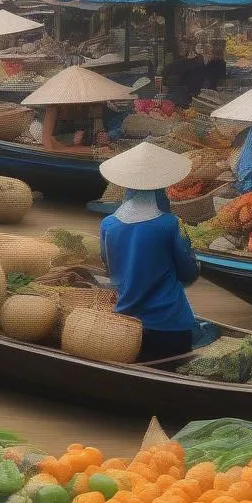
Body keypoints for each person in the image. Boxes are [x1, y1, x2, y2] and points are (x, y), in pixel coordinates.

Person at [99, 142, 200, 362]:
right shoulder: (171, 224)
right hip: (170, 326)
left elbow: (109, 270)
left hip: (125, 327)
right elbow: (188, 272)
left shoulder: (108, 224)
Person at [162, 37, 206, 108]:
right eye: (179, 46)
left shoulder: (197, 62)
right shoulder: (180, 62)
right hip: (181, 99)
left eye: (182, 46)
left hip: (189, 100)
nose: (180, 48)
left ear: (190, 46)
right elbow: (165, 72)